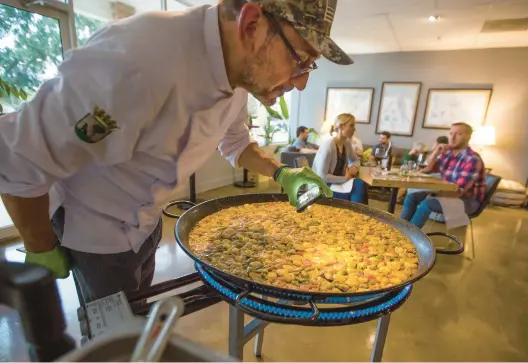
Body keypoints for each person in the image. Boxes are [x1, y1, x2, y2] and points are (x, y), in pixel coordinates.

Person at [0, 0, 353, 303]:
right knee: (111, 343)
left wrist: (281, 172)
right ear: (251, 25)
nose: (302, 80)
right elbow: (18, 157)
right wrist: (39, 246)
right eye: (300, 60)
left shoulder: (242, 74)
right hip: (96, 234)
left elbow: (236, 142)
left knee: (136, 327)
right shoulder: (134, 63)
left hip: (148, 225)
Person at [400, 123, 485, 228]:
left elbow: (458, 192)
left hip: (466, 201)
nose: (452, 138)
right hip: (447, 193)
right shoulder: (448, 154)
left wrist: (434, 195)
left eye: (459, 134)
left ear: (468, 137)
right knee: (411, 197)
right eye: (451, 133)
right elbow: (427, 170)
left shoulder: (472, 159)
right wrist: (436, 152)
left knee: (426, 204)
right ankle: (400, 230)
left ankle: (410, 237)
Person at [312, 113, 369, 204]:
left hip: (338, 183)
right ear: (341, 126)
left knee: (360, 183)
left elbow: (355, 160)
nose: (354, 129)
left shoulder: (346, 143)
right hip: (323, 186)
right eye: (351, 125)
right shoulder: (328, 145)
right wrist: (345, 178)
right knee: (358, 187)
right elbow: (322, 176)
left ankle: (359, 214)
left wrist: (355, 167)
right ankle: (358, 214)